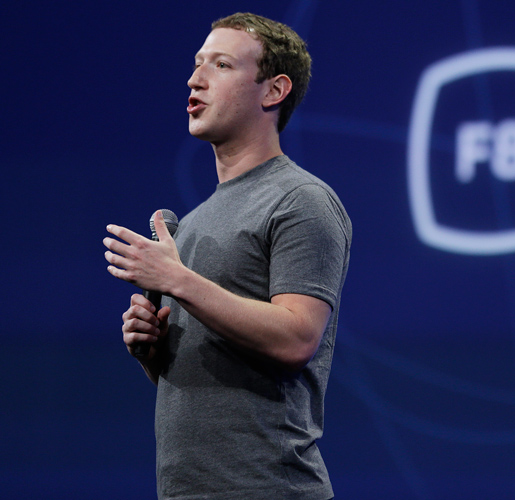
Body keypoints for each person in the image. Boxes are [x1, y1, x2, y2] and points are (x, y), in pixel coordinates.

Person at [103, 12, 350, 500]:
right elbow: (206, 381)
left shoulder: (301, 200)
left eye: (221, 64)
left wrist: (178, 281)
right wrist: (153, 353)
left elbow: (297, 338)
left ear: (274, 90)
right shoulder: (194, 222)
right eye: (197, 63)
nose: (195, 79)